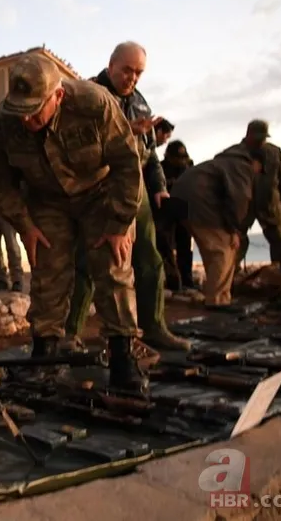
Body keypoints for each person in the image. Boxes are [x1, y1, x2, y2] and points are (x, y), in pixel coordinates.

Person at [0, 53, 148, 394]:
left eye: (35, 109)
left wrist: (119, 224)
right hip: (47, 200)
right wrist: (25, 225)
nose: (27, 119)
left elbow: (126, 164)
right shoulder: (4, 120)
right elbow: (1, 182)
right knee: (48, 272)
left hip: (101, 194)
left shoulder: (94, 104)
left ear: (58, 96)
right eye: (21, 109)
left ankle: (122, 354)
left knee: (113, 267)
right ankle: (45, 352)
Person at [66, 41, 189, 351]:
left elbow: (149, 153)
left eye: (139, 73)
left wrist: (159, 186)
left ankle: (154, 327)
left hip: (136, 189)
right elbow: (77, 147)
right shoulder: (88, 95)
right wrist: (125, 131)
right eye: (127, 71)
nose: (132, 78)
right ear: (111, 66)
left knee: (150, 258)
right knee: (89, 260)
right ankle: (70, 334)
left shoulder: (140, 102)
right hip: (98, 187)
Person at [169, 147, 264, 309]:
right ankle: (217, 301)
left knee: (213, 251)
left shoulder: (224, 162)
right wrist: (234, 230)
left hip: (179, 199)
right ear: (256, 163)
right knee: (224, 249)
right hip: (198, 202)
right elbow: (239, 199)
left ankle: (216, 296)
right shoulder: (242, 167)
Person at [227, 120, 281, 265]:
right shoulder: (232, 154)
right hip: (241, 210)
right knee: (234, 247)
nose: (261, 141)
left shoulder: (274, 152)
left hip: (270, 206)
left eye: (263, 138)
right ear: (248, 134)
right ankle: (227, 283)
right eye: (257, 138)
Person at [156, 141, 195, 290]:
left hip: (184, 213)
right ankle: (173, 283)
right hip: (165, 215)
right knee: (166, 250)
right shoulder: (160, 169)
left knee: (185, 248)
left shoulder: (188, 168)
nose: (180, 161)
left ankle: (187, 281)